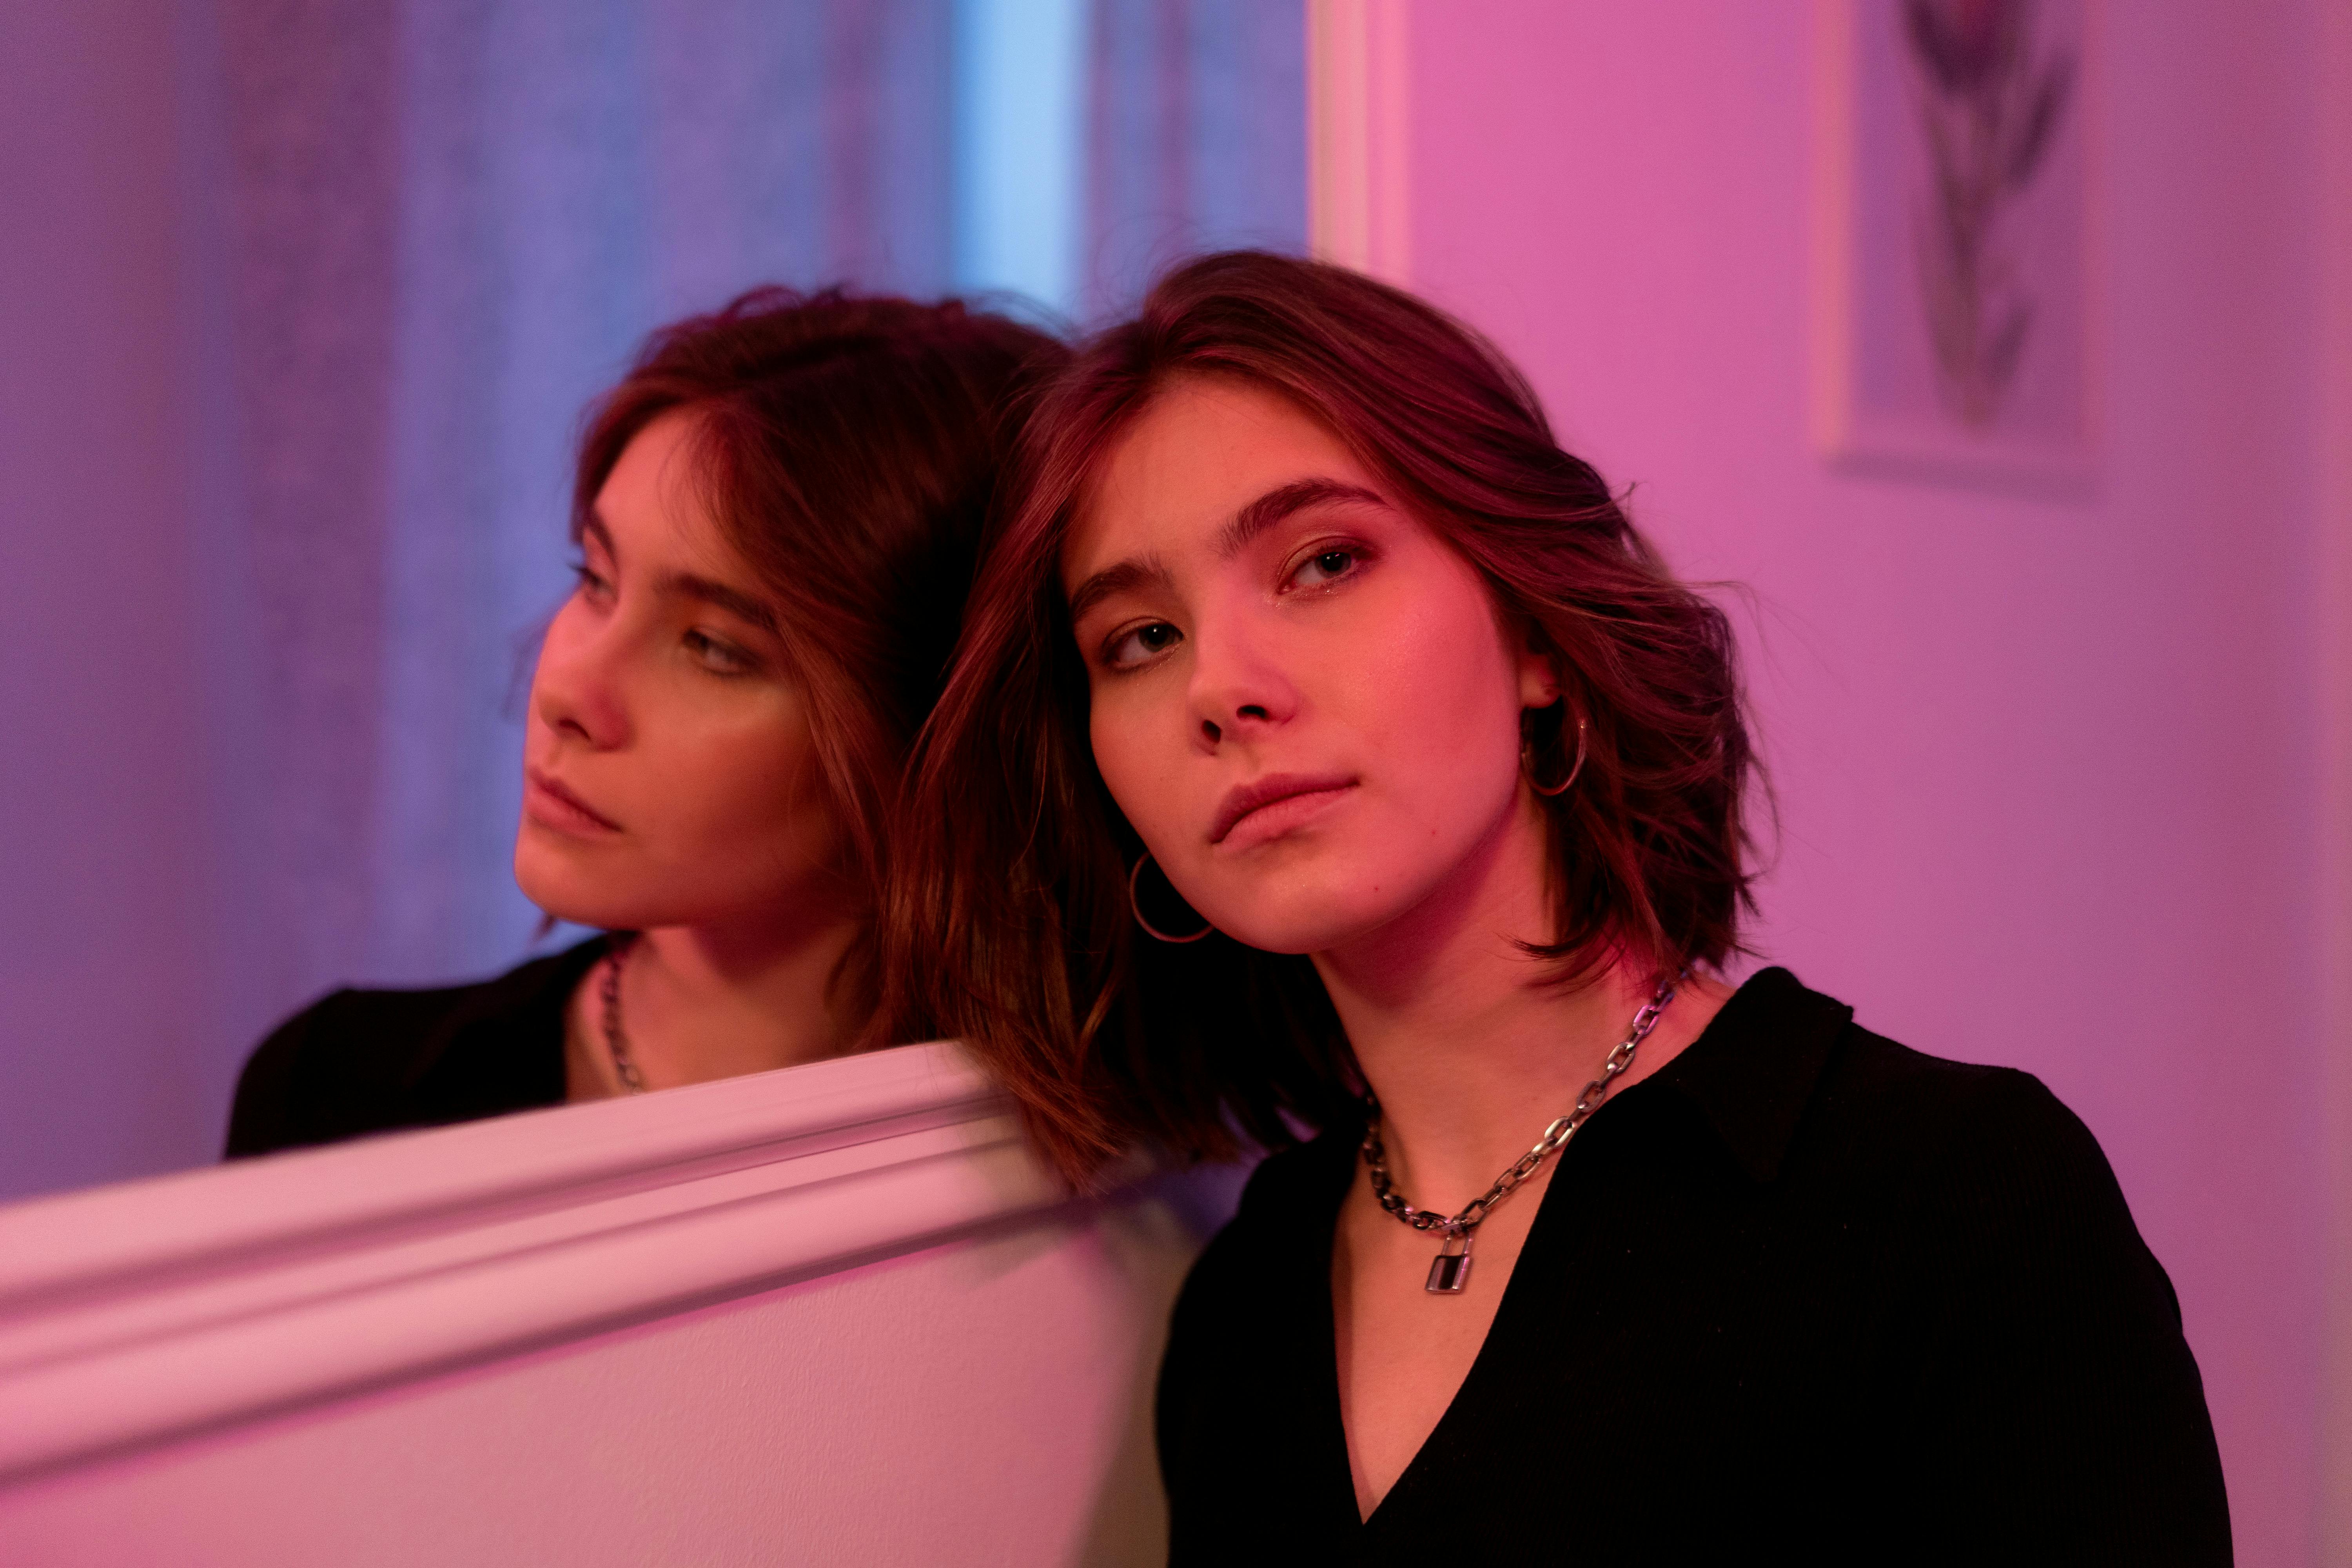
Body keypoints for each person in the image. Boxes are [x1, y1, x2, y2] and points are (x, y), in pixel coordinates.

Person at [887, 252, 2230, 1561]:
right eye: (1141, 638)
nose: (1219, 687)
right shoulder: (1243, 1306)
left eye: (1323, 564)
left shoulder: (1958, 1203)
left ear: (1534, 628)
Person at [227, 289, 1065, 1157]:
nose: (567, 694)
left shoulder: (1095, 1182)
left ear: (936, 729)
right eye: (595, 580)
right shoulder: (335, 1095)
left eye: (711, 646)